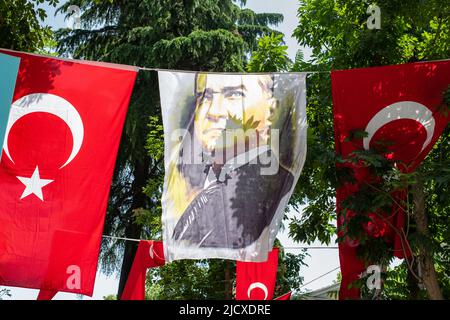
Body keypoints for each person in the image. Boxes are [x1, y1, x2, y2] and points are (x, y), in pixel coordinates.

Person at [167, 73, 295, 249]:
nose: (213, 112)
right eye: (205, 97)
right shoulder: (204, 184)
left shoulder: (276, 182)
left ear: (270, 110)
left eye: (234, 95)